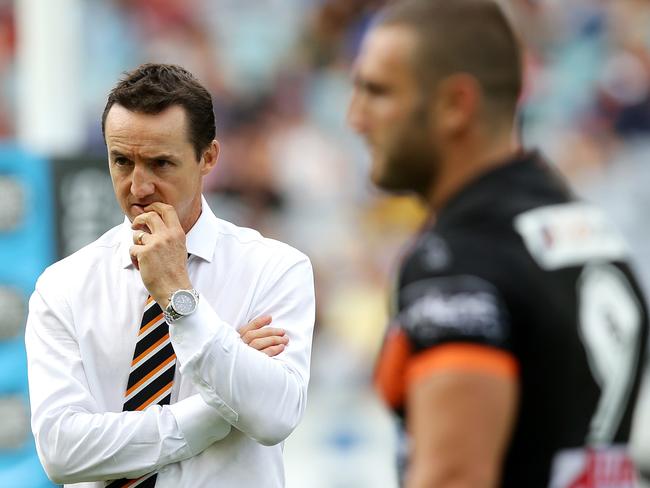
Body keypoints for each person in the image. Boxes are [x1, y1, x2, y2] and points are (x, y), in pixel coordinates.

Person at [347, 1, 648, 487]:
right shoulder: (591, 230)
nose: (355, 117)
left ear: (455, 104)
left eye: (377, 92)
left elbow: (455, 478)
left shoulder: (459, 262)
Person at [25, 63, 315, 487]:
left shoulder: (275, 268)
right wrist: (215, 408)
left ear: (208, 157)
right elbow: (61, 451)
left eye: (160, 164)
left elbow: (274, 416)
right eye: (122, 161)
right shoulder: (63, 285)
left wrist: (179, 296)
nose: (138, 187)